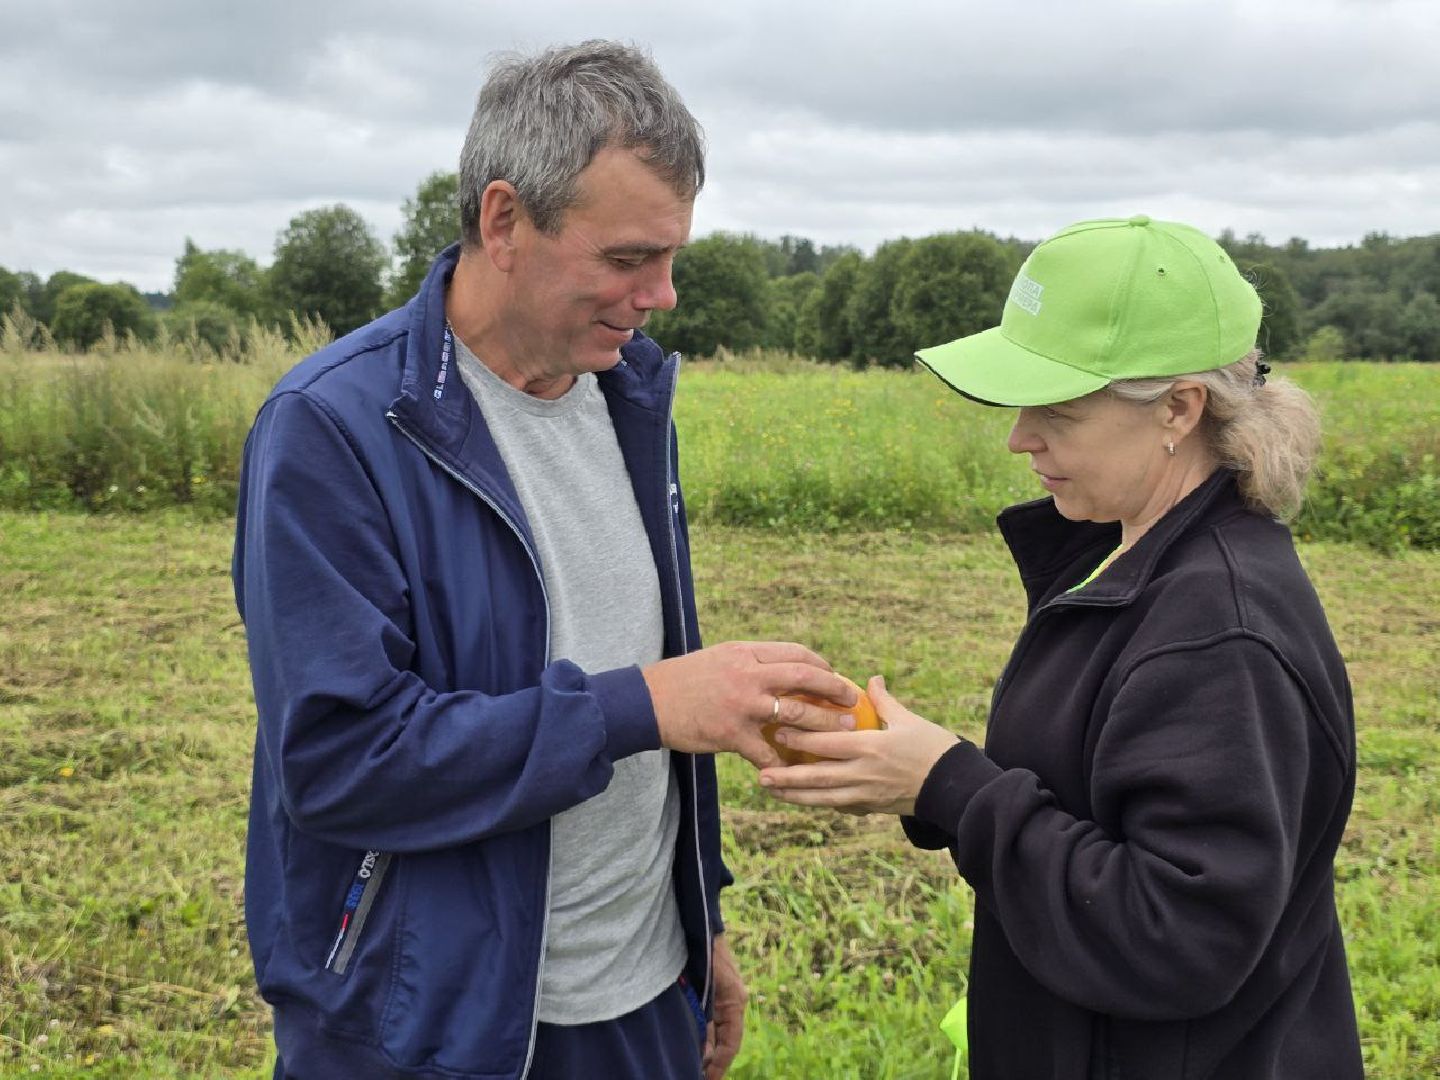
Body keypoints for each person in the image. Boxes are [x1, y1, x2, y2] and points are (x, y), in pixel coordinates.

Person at [232, 41, 857, 1080]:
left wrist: (696, 922)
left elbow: (637, 666)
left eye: (671, 257)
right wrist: (644, 705)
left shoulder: (628, 395)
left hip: (643, 995)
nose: (661, 295)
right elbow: (342, 764)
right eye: (627, 259)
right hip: (431, 1023)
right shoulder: (333, 427)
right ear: (503, 221)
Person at [758, 216, 1365, 1079]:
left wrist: (948, 785)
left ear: (1179, 408)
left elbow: (1178, 937)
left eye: (1059, 411)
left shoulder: (1215, 633)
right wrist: (913, 768)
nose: (1020, 437)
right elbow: (1090, 795)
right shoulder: (1133, 554)